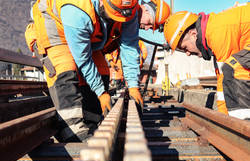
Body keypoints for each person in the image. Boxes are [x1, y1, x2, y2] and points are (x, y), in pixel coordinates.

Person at [25, 0, 143, 142]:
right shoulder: (76, 10)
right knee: (64, 68)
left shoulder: (129, 8)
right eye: (112, 16)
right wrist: (101, 93)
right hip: (54, 23)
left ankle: (90, 121)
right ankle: (72, 129)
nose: (115, 20)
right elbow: (84, 59)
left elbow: (130, 47)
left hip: (89, 26)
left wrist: (134, 86)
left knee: (101, 70)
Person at [163, 3, 250, 120]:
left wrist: (234, 126)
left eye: (185, 48)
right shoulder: (211, 34)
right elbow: (222, 80)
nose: (187, 53)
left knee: (235, 68)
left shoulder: (217, 32)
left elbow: (228, 75)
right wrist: (224, 117)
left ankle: (244, 126)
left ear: (193, 35)